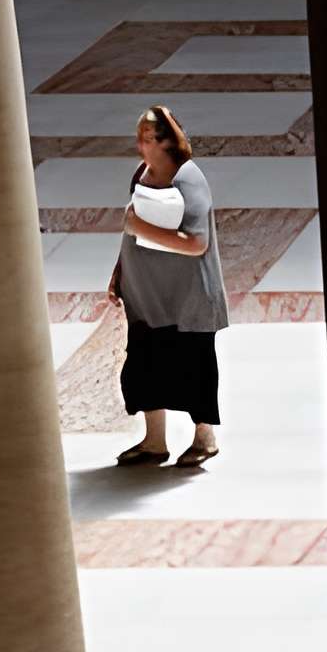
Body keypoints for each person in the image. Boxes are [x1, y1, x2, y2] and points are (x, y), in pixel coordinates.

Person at [110, 103, 229, 468]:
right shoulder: (142, 173)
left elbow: (196, 243)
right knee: (145, 365)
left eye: (149, 138)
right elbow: (131, 233)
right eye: (140, 138)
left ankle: (204, 438)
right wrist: (118, 272)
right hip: (146, 295)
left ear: (168, 141)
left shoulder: (188, 180)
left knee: (194, 366)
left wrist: (139, 228)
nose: (142, 146)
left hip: (186, 298)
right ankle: (154, 441)